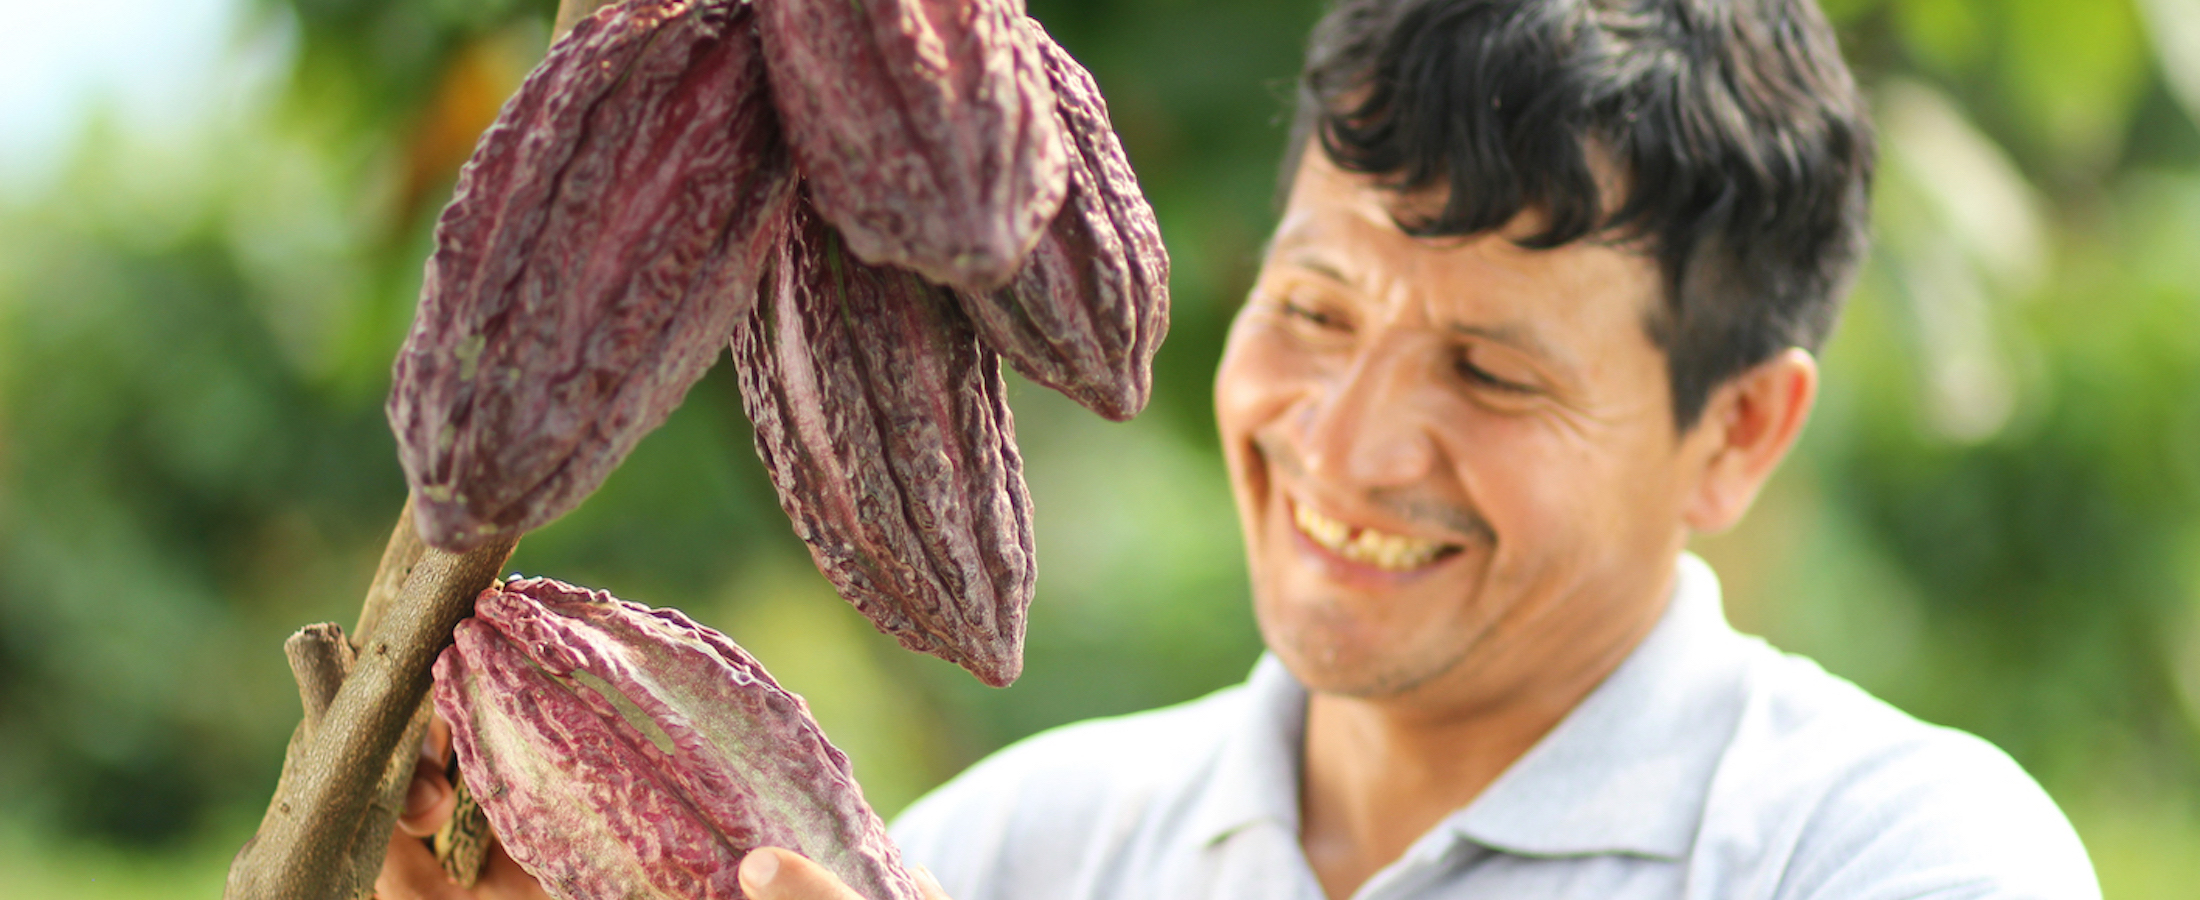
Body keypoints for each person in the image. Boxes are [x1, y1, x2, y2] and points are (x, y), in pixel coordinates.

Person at [378, 0, 2101, 898]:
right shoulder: (1019, 852)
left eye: (1493, 373)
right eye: (1317, 314)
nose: (1344, 446)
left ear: (1738, 430)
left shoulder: (1895, 856)